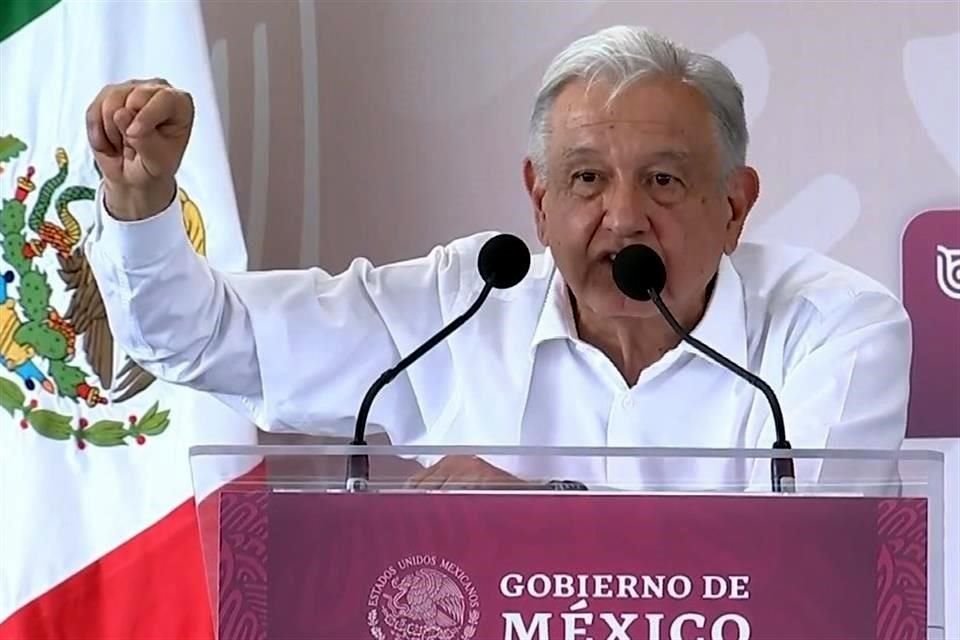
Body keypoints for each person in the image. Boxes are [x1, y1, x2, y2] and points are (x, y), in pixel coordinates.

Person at [83, 25, 911, 490]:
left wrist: (540, 520)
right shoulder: (461, 305)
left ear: (734, 206)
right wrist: (140, 203)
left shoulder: (833, 328)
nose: (623, 218)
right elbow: (196, 341)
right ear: (539, 198)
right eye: (586, 179)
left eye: (663, 181)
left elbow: (809, 560)